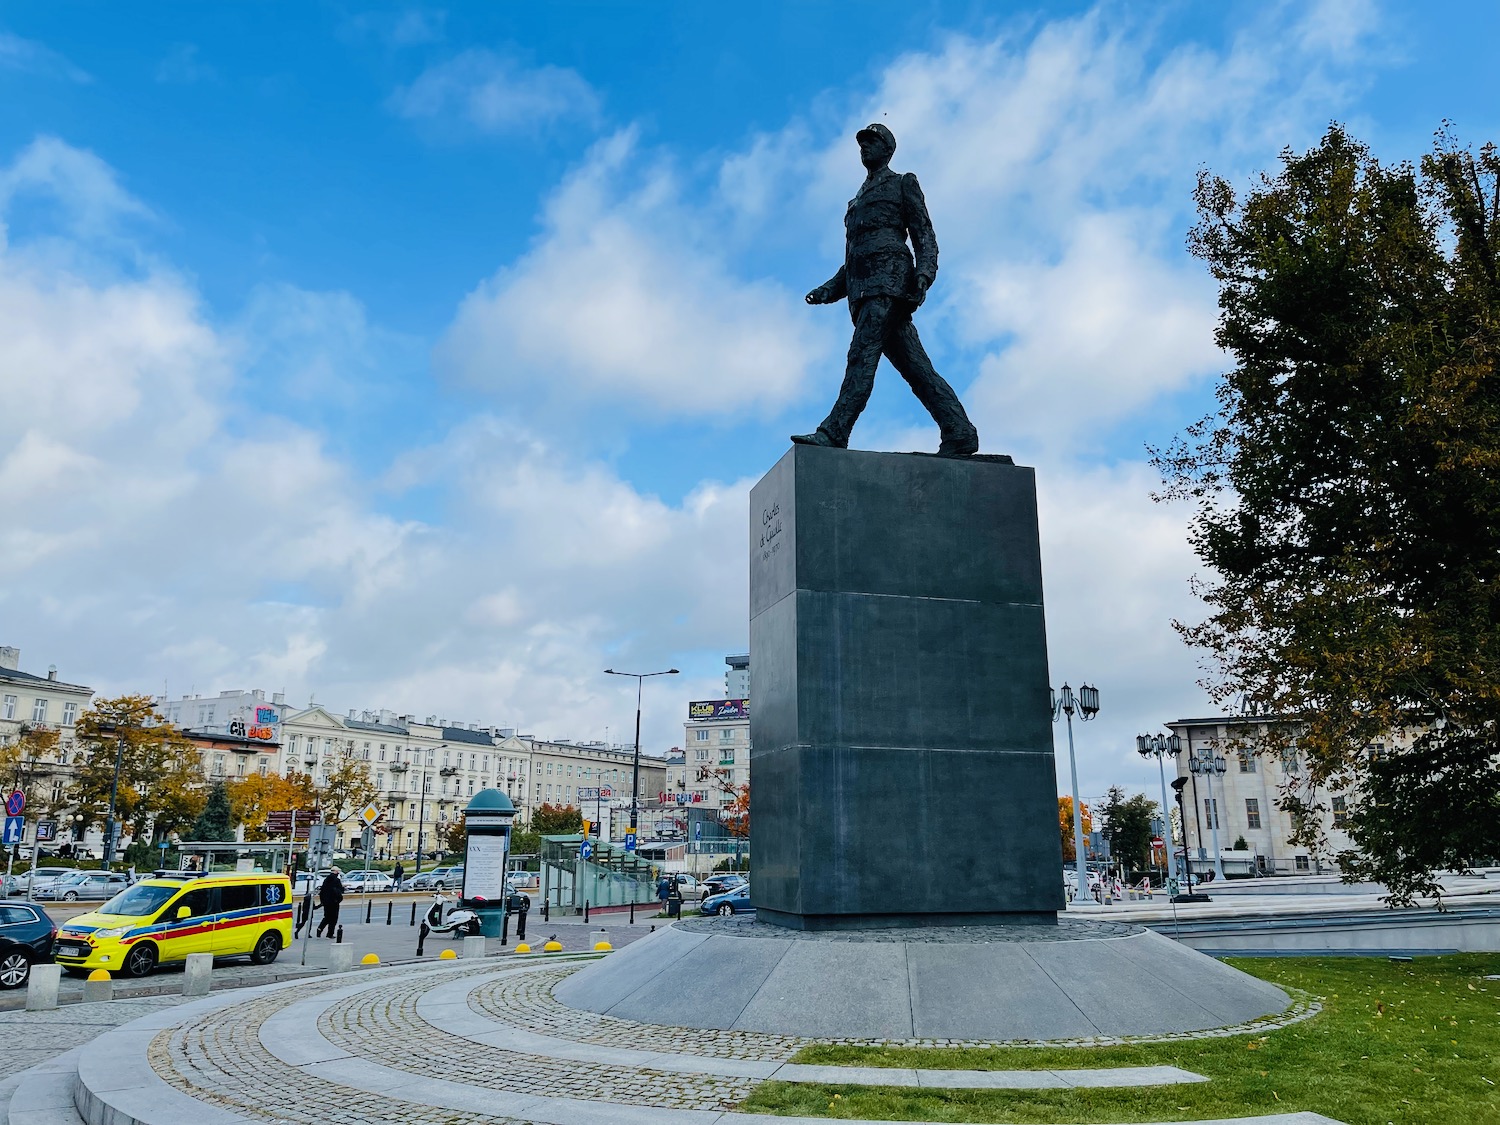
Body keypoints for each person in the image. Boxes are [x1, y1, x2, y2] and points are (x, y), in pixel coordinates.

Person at [793, 123, 979, 457]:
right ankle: (959, 431)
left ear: (887, 149)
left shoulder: (903, 183)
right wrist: (827, 290)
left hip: (890, 284)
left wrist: (923, 275)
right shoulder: (856, 199)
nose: (864, 148)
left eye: (872, 142)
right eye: (862, 143)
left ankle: (835, 432)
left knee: (860, 357)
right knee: (916, 368)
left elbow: (924, 235)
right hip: (864, 290)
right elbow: (854, 257)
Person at [315, 869, 344, 937]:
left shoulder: (326, 880)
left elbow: (322, 891)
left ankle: (319, 929)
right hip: (334, 902)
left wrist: (323, 901)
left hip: (326, 902)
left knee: (327, 917)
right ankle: (330, 933)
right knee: (333, 918)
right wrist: (339, 899)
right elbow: (339, 891)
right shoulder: (336, 880)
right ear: (336, 872)